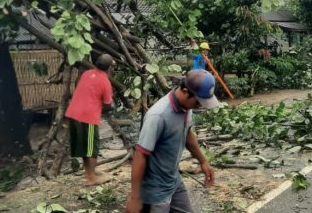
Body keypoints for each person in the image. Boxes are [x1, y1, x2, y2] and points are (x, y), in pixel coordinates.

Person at [126, 70, 219, 213]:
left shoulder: (187, 107)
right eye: (198, 101)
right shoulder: (158, 116)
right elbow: (140, 155)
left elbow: (187, 133)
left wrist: (203, 161)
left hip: (173, 180)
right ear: (186, 92)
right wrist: (134, 198)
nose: (200, 106)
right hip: (155, 189)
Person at [65, 54, 114, 185]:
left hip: (73, 112)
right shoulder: (105, 82)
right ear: (110, 68)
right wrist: (99, 109)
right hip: (88, 116)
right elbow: (108, 105)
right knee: (92, 148)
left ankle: (88, 173)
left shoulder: (86, 74)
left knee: (83, 147)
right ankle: (91, 178)